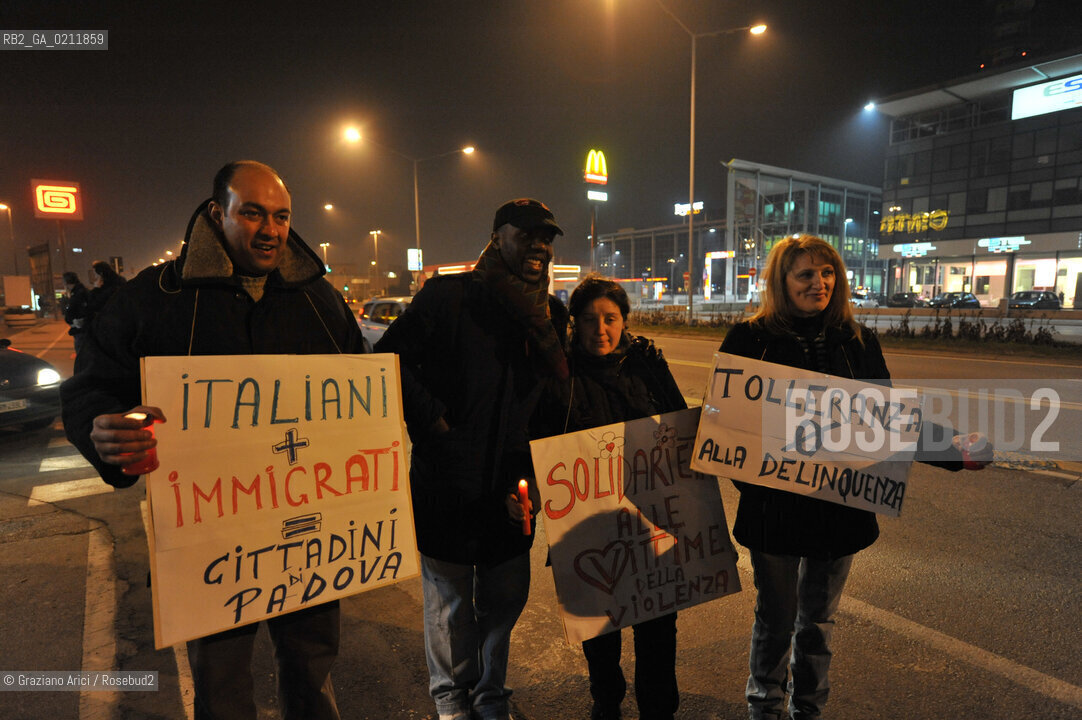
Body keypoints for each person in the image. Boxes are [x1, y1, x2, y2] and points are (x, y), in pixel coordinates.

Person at [61, 161, 364, 720]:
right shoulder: (156, 296)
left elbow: (360, 394)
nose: (270, 230)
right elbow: (91, 388)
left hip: (309, 539)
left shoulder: (319, 300)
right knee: (221, 690)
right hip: (213, 548)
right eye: (252, 213)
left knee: (312, 673)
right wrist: (102, 427)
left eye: (281, 216)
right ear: (215, 213)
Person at [719, 234, 991, 720]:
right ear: (782, 280)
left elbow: (888, 425)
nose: (819, 283)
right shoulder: (749, 340)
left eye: (828, 273)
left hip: (839, 508)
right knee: (775, 621)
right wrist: (761, 481)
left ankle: (808, 710)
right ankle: (765, 708)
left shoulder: (858, 341)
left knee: (817, 625)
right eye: (806, 274)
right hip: (774, 510)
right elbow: (724, 425)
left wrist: (954, 450)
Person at [375, 198, 568, 720]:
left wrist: (536, 477)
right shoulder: (448, 297)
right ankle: (451, 698)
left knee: (505, 598)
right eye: (527, 235)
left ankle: (488, 692)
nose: (539, 246)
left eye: (547, 238)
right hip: (447, 482)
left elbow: (553, 404)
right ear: (497, 236)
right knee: (450, 603)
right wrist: (434, 421)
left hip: (513, 488)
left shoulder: (551, 316)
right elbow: (388, 358)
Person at [550, 275, 686, 720]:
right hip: (588, 526)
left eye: (610, 318)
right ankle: (606, 700)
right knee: (600, 630)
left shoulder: (646, 364)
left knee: (658, 627)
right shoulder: (561, 375)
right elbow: (541, 443)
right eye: (590, 320)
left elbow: (681, 425)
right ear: (575, 324)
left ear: (624, 321)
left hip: (651, 520)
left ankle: (658, 709)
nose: (600, 330)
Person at [61, 270, 90, 354]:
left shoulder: (79, 294)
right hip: (81, 330)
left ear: (67, 282)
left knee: (82, 355)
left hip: (81, 331)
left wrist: (78, 321)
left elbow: (79, 310)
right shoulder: (80, 291)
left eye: (64, 282)